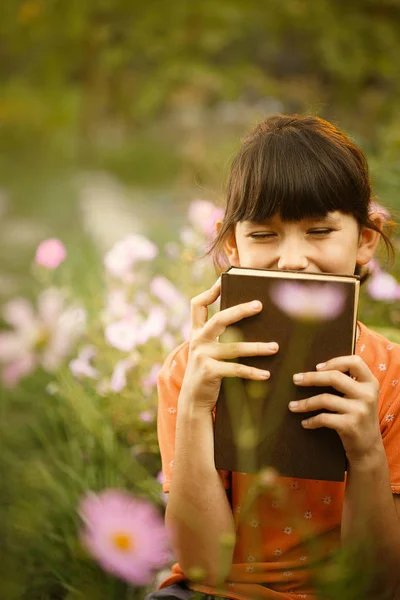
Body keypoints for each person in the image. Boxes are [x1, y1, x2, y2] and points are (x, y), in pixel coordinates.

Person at [148, 115, 400, 599]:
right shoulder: (192, 371)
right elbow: (202, 566)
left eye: (320, 230)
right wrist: (198, 410)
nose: (291, 259)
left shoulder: (388, 376)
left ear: (366, 239)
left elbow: (379, 584)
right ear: (230, 243)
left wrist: (366, 451)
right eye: (264, 234)